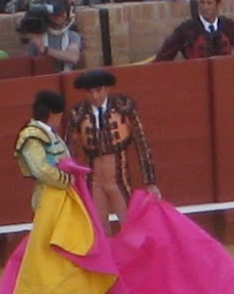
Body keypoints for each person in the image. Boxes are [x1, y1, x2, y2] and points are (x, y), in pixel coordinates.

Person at [0, 88, 115, 294]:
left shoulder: (46, 134)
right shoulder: (32, 136)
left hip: (60, 199)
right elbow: (40, 169)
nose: (60, 121)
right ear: (51, 114)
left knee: (59, 257)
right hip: (49, 199)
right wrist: (68, 179)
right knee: (51, 258)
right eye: (58, 116)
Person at [61, 70, 160, 235]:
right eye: (89, 91)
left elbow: (141, 142)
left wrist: (150, 181)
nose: (94, 96)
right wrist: (69, 178)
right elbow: (68, 149)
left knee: (130, 226)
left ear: (107, 89)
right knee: (98, 230)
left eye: (98, 90)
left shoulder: (123, 107)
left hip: (119, 176)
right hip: (93, 179)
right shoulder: (77, 113)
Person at [154, 0, 234, 58]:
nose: (205, 7)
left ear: (218, 5)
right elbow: (164, 56)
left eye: (209, 3)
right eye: (202, 3)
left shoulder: (228, 26)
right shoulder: (186, 29)